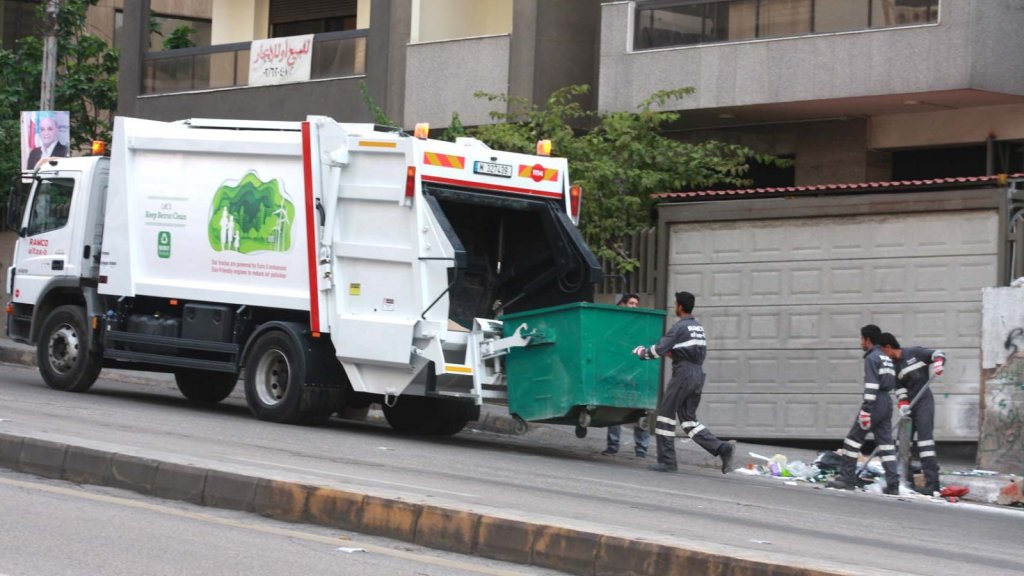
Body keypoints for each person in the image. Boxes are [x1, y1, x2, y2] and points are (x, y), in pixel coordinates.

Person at [631, 291, 733, 473]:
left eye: (675, 304)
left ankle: (667, 461)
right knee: (688, 421)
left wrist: (642, 352)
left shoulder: (680, 327)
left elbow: (659, 349)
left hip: (683, 375)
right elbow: (685, 351)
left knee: (665, 416)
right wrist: (672, 353)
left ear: (679, 306)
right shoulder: (698, 328)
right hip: (697, 375)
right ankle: (721, 448)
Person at [827, 325, 900, 494]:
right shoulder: (886, 357)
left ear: (868, 339)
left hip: (875, 402)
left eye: (862, 339)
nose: (861, 343)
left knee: (853, 441)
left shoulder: (872, 358)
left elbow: (872, 385)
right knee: (886, 445)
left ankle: (847, 479)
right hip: (886, 402)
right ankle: (893, 484)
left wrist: (866, 410)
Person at [878, 332, 946, 495]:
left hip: (923, 403)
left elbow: (938, 353)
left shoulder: (914, 353)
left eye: (882, 351)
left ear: (888, 347)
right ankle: (905, 481)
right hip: (909, 406)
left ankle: (932, 484)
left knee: (925, 443)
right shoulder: (894, 366)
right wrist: (903, 403)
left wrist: (938, 363)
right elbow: (899, 387)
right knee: (903, 443)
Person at [602, 293, 651, 458]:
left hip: (636, 372)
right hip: (618, 370)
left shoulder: (640, 324)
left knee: (640, 409)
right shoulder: (615, 324)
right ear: (622, 304)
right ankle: (612, 446)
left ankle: (641, 449)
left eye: (636, 304)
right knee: (614, 408)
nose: (634, 306)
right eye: (631, 303)